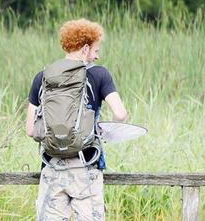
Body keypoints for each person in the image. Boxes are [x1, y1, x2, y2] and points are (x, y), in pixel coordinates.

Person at [25, 19, 128, 220]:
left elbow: (30, 130)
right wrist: (104, 131)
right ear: (85, 48)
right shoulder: (99, 74)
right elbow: (121, 113)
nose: (97, 55)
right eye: (96, 50)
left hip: (52, 166)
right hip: (86, 166)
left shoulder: (42, 77)